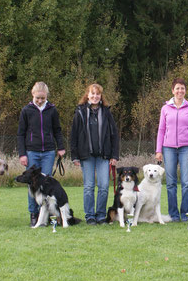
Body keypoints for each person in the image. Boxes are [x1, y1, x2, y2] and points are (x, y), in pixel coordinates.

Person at [17, 82, 65, 227]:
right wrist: (22, 154)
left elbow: (57, 130)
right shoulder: (26, 110)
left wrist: (61, 147)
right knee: (32, 185)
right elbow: (21, 134)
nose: (40, 100)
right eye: (37, 98)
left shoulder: (52, 110)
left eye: (42, 98)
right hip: (32, 151)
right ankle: (34, 214)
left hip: (48, 152)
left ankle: (47, 215)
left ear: (46, 97)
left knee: (46, 185)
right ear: (33, 95)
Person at [71, 83, 119, 225]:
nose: (95, 96)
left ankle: (100, 215)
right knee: (89, 187)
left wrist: (114, 156)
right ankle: (90, 216)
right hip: (86, 156)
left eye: (98, 94)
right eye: (92, 94)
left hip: (104, 156)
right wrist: (74, 156)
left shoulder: (106, 112)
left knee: (104, 186)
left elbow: (114, 135)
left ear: (101, 96)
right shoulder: (79, 112)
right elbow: (73, 136)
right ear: (87, 95)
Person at [155, 78, 188, 222]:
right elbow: (161, 130)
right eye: (177, 88)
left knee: (186, 182)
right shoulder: (165, 108)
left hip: (186, 147)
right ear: (172, 90)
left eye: (182, 88)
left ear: (185, 91)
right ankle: (173, 215)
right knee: (171, 183)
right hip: (168, 148)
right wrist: (158, 150)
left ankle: (186, 214)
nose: (180, 91)